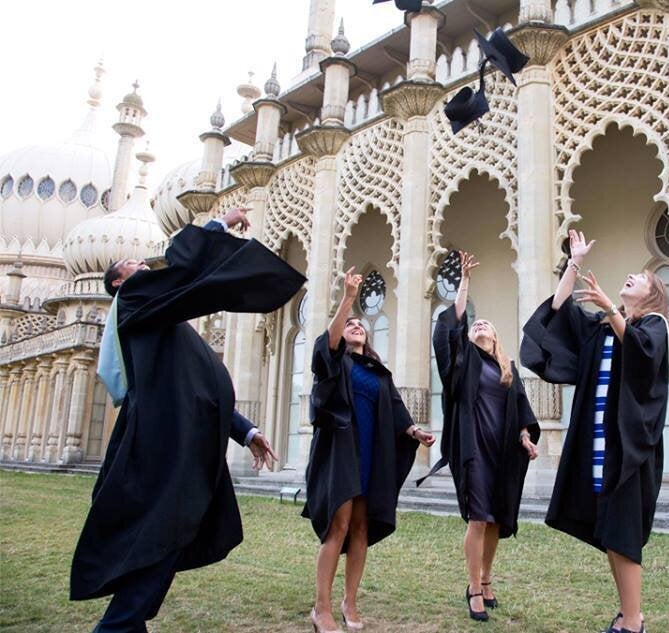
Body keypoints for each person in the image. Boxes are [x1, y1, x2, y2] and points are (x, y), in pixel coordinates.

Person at [70, 208, 306, 633]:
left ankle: (127, 623)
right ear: (120, 285)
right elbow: (182, 272)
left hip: (181, 450)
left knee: (167, 538)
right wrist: (216, 226)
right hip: (161, 451)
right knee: (160, 537)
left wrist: (246, 430)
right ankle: (118, 625)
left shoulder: (164, 323)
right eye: (136, 268)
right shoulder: (135, 304)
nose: (146, 268)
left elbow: (199, 392)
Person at [520, 230, 669, 633]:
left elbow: (642, 359)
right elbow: (556, 313)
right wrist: (575, 263)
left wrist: (611, 308)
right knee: (610, 532)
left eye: (640, 278)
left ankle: (634, 621)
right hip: (599, 448)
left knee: (623, 532)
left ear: (653, 295)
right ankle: (627, 613)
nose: (630, 277)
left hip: (630, 449)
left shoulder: (656, 326)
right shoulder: (602, 328)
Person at [303, 266, 436, 633]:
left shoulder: (377, 372)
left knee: (361, 528)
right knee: (339, 525)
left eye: (360, 324)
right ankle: (322, 606)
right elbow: (327, 345)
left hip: (370, 455)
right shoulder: (336, 362)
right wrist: (347, 299)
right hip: (341, 454)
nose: (356, 326)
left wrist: (413, 430)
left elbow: (394, 408)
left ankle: (350, 601)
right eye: (350, 325)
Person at [420, 251, 541, 623]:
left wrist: (524, 435)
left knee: (495, 520)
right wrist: (463, 285)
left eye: (485, 324)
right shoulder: (463, 363)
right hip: (472, 449)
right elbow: (449, 331)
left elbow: (519, 407)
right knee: (477, 518)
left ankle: (487, 579)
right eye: (475, 324)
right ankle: (473, 587)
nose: (479, 326)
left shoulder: (508, 369)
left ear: (496, 336)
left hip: (501, 451)